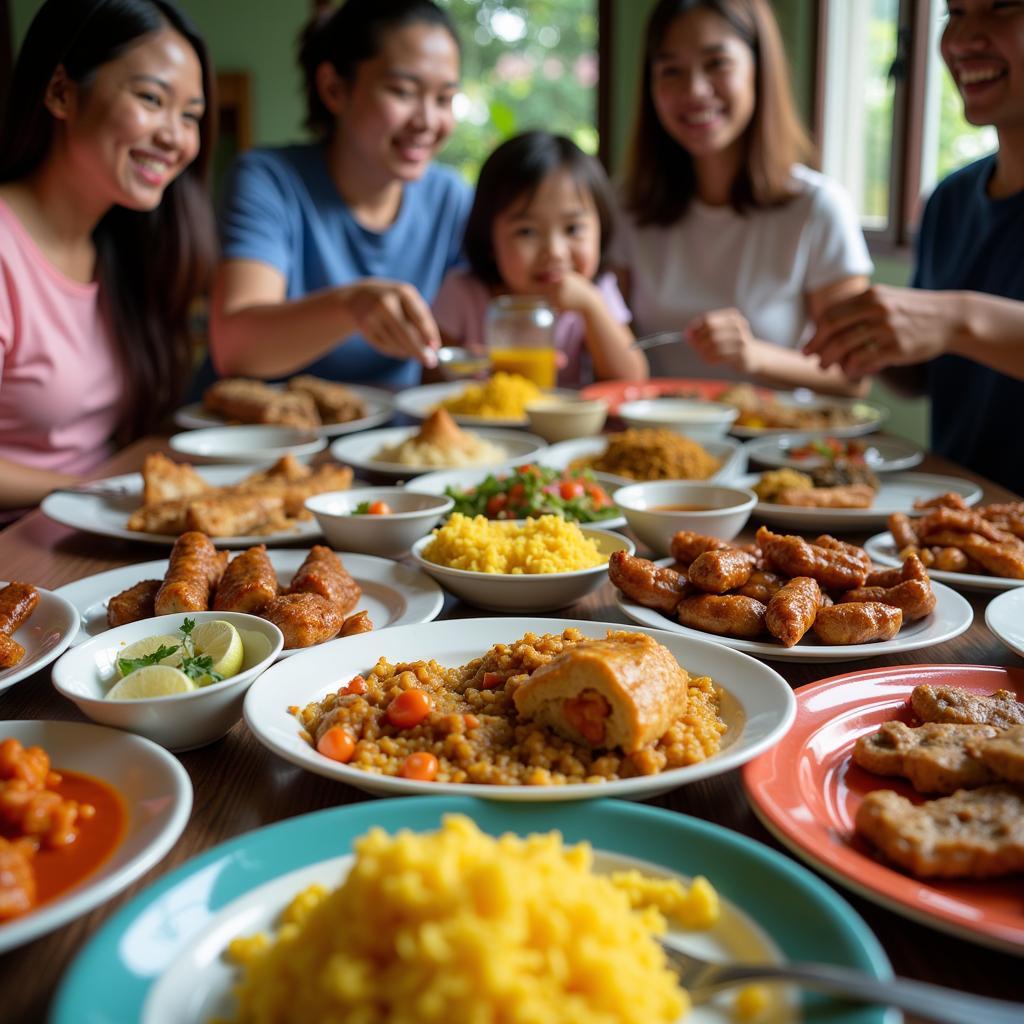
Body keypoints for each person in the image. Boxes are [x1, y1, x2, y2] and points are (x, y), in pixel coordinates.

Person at [0, 0, 215, 514]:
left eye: (190, 116)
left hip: (94, 522)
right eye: (150, 98)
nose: (175, 136)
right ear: (60, 92)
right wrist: (93, 490)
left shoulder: (123, 248)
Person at [805, 0, 1024, 494]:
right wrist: (873, 339)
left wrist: (957, 318)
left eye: (1003, 8)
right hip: (960, 527)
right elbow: (925, 377)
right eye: (956, 13)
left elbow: (958, 326)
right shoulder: (951, 199)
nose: (963, 40)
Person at [207, 0, 471, 391]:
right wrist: (352, 306)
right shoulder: (270, 180)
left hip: (388, 444)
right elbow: (236, 349)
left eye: (444, 99)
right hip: (259, 437)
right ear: (334, 89)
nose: (427, 121)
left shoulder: (452, 198)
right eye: (402, 91)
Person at [612, 0, 872, 394]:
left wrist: (754, 355)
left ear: (759, 69)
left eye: (717, 63)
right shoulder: (625, 207)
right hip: (653, 439)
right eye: (671, 71)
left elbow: (854, 379)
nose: (695, 91)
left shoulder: (818, 207)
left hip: (771, 443)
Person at [432, 132, 647, 387]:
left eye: (573, 229)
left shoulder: (597, 293)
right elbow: (430, 382)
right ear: (488, 238)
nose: (555, 251)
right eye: (527, 232)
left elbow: (631, 381)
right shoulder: (462, 292)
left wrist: (592, 307)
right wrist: (467, 368)